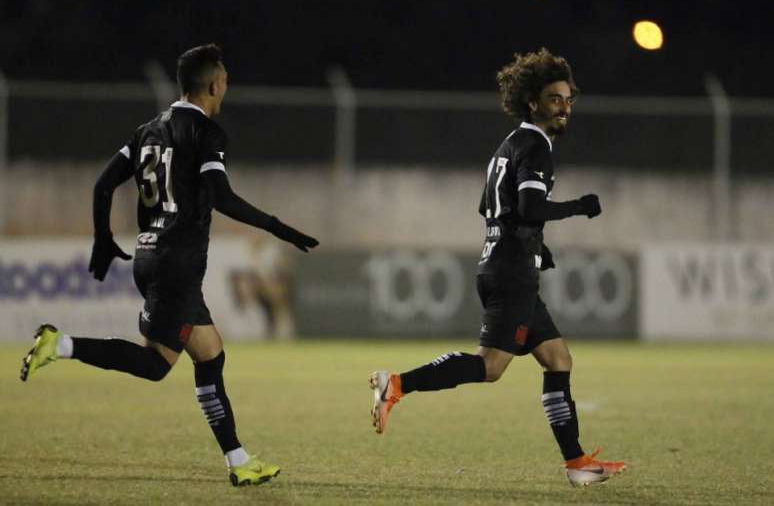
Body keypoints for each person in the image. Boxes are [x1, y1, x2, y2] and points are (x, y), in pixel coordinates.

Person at [20, 43, 318, 487]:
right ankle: (59, 344)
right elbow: (220, 196)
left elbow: (104, 185)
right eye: (225, 83)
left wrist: (104, 239)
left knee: (210, 354)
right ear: (214, 85)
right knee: (156, 364)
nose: (225, 90)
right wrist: (279, 228)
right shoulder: (206, 133)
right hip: (178, 264)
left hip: (149, 254)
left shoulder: (146, 130)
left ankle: (239, 461)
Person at [369, 48, 626, 487]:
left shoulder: (508, 145)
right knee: (489, 368)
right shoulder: (534, 147)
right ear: (533, 102)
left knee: (558, 359)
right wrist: (581, 207)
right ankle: (395, 384)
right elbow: (529, 206)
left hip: (505, 263)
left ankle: (577, 463)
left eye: (568, 100)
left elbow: (490, 207)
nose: (564, 108)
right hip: (510, 273)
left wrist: (535, 247)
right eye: (554, 99)